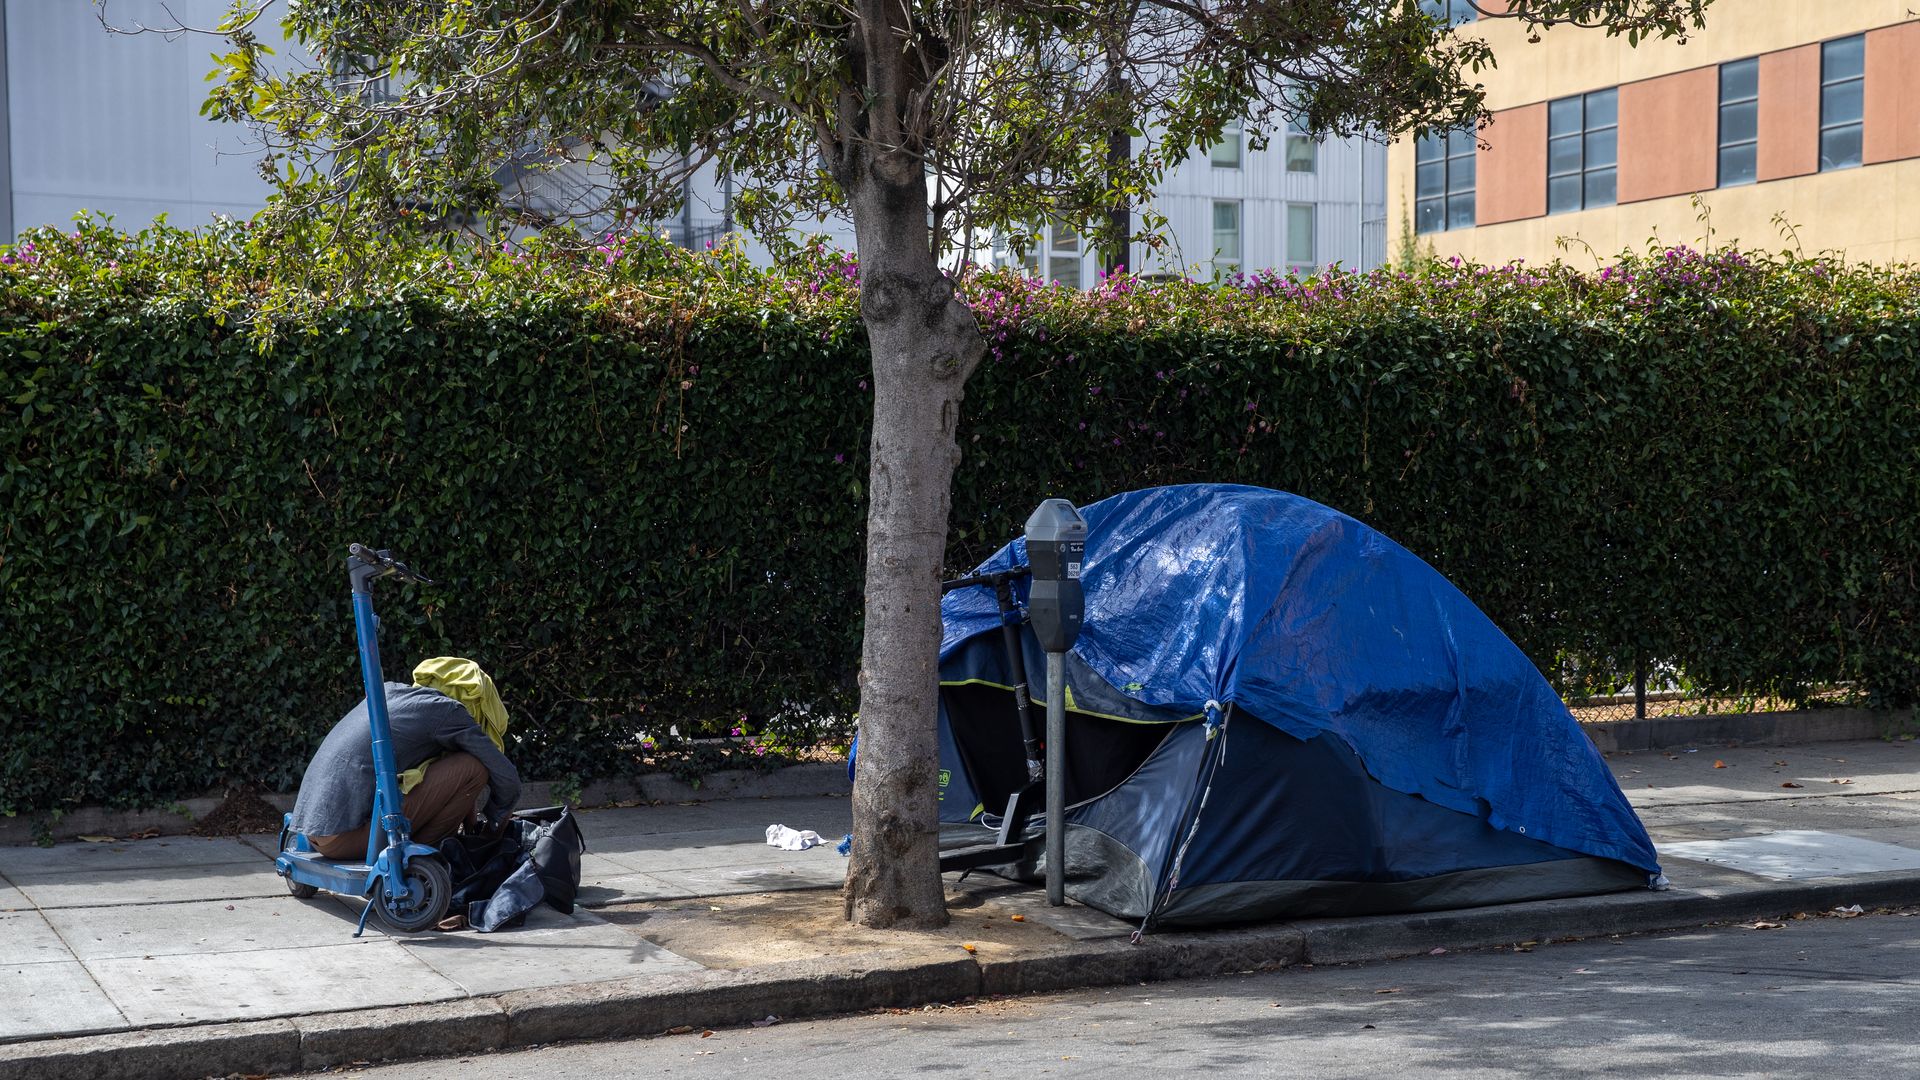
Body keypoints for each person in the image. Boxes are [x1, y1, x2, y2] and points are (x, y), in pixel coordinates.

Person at [290, 656, 521, 860]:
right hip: (347, 838)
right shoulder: (448, 711)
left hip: (313, 829)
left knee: (458, 765)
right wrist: (493, 828)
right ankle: (434, 856)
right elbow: (508, 780)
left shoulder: (391, 692)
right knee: (474, 768)